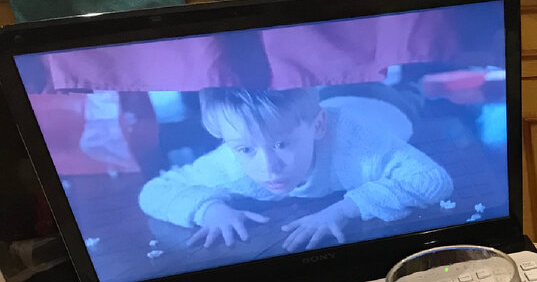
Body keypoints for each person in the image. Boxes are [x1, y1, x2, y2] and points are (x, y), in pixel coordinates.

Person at [138, 87, 453, 252]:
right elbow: (154, 191)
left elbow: (432, 181)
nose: (269, 168)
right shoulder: (230, 164)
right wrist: (209, 210)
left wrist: (344, 209)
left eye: (281, 145)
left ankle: (416, 90)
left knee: (414, 98)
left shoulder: (357, 148)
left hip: (381, 102)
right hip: (319, 103)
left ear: (318, 126)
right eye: (246, 150)